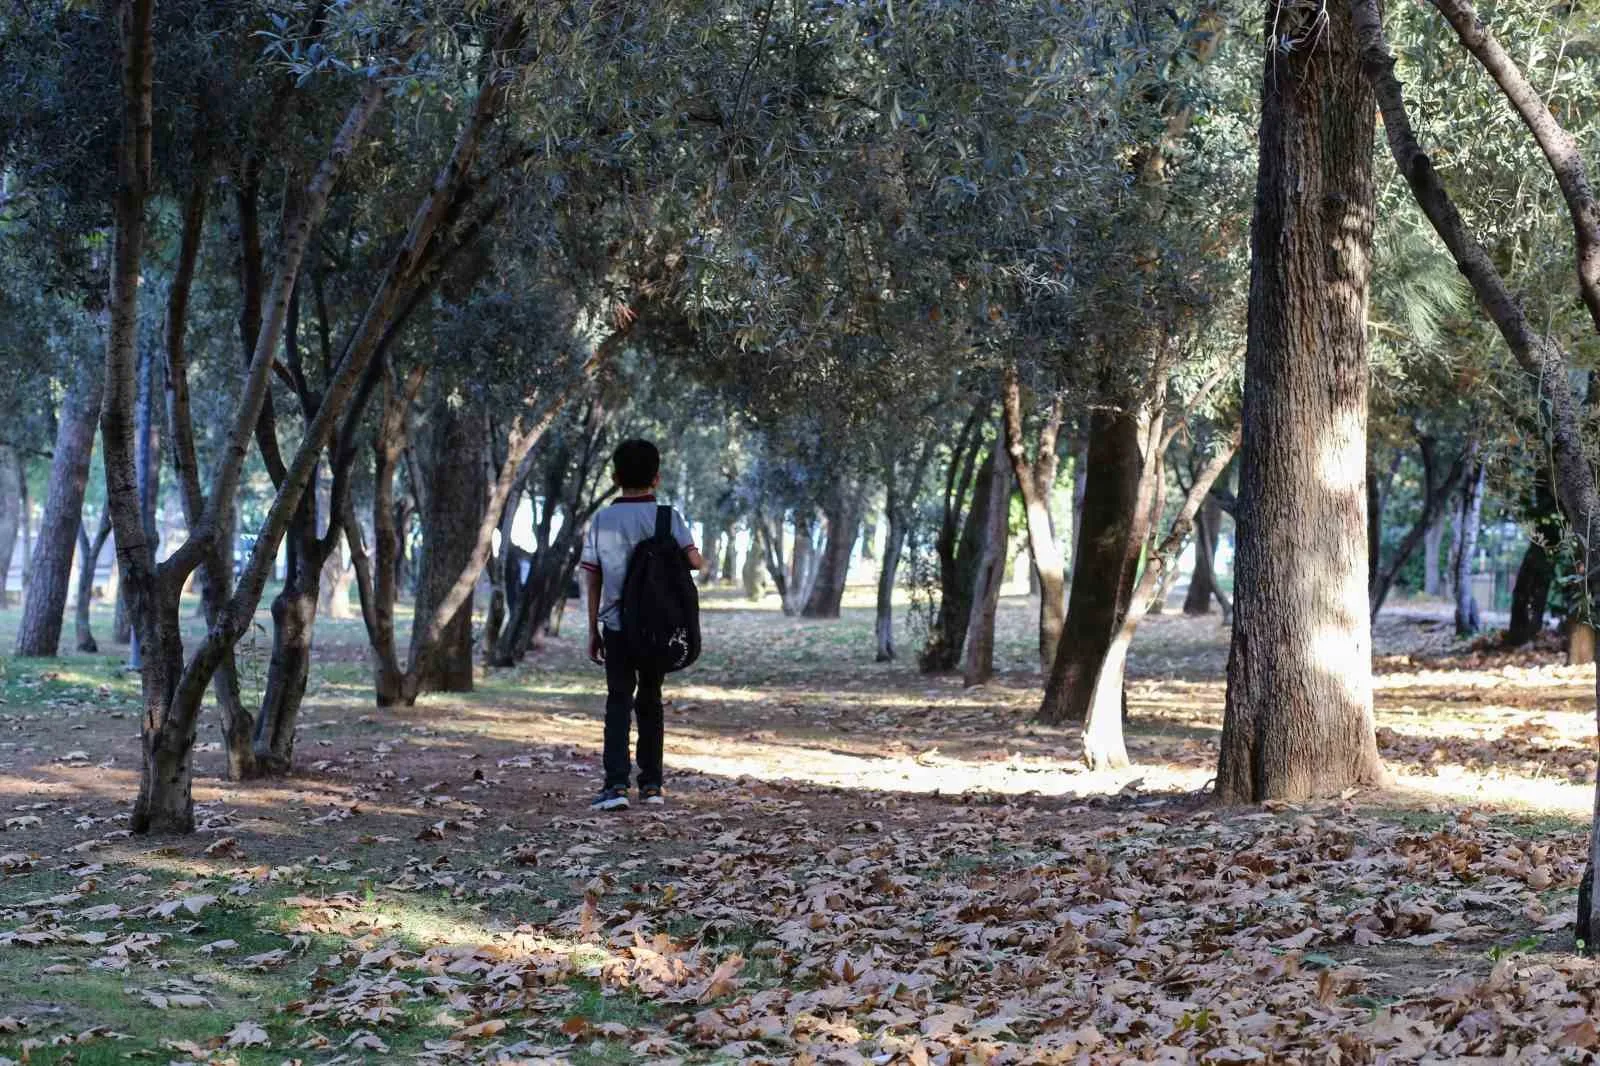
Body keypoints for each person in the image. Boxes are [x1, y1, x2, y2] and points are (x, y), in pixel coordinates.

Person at [580, 439, 704, 811]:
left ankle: (615, 786)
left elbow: (592, 576)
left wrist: (592, 629)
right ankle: (652, 786)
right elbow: (696, 563)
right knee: (650, 700)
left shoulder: (602, 519)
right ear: (657, 477)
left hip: (617, 628)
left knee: (618, 700)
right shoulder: (669, 517)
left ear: (615, 477)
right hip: (657, 628)